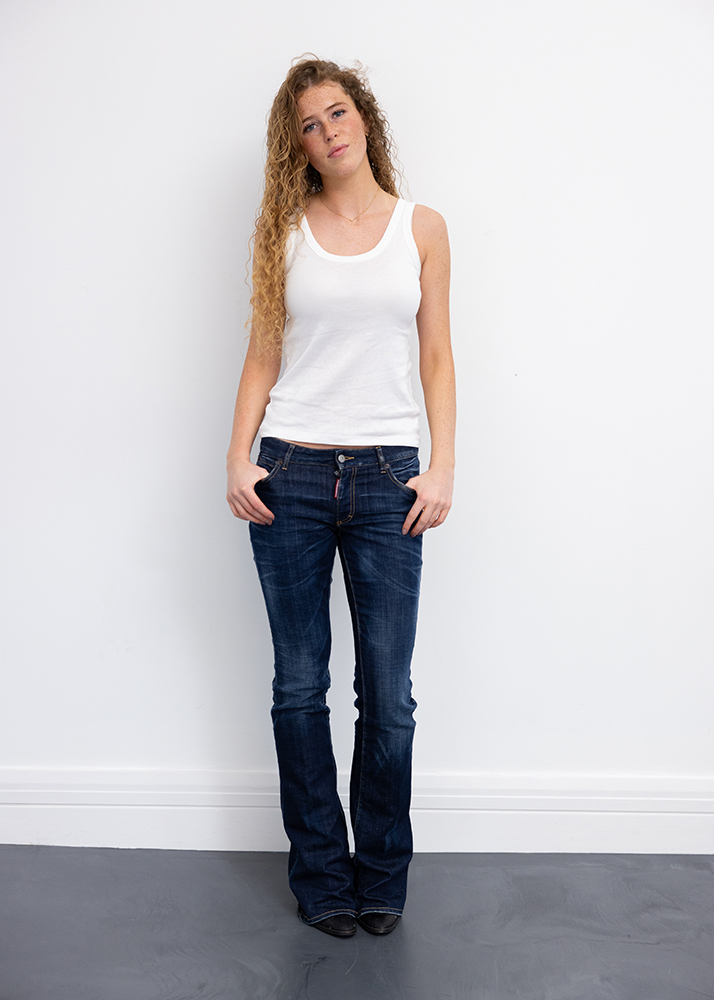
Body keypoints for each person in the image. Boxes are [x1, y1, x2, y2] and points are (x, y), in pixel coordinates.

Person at [226, 57, 455, 938]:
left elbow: (436, 355)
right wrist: (238, 456)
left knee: (388, 695)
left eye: (338, 112)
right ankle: (322, 874)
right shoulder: (283, 231)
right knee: (298, 686)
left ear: (365, 118)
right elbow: (264, 352)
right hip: (290, 473)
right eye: (310, 125)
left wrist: (442, 465)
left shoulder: (422, 228)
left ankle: (381, 875)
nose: (329, 132)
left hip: (390, 477)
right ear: (299, 147)